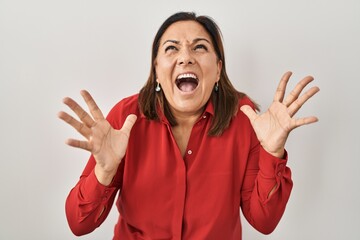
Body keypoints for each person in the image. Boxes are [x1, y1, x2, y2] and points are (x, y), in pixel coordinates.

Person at [58, 12, 319, 240]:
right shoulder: (126, 118)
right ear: (157, 70)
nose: (185, 57)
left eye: (200, 47)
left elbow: (264, 221)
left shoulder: (245, 119)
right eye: (172, 48)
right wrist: (104, 171)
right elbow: (78, 224)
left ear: (218, 71)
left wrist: (272, 153)